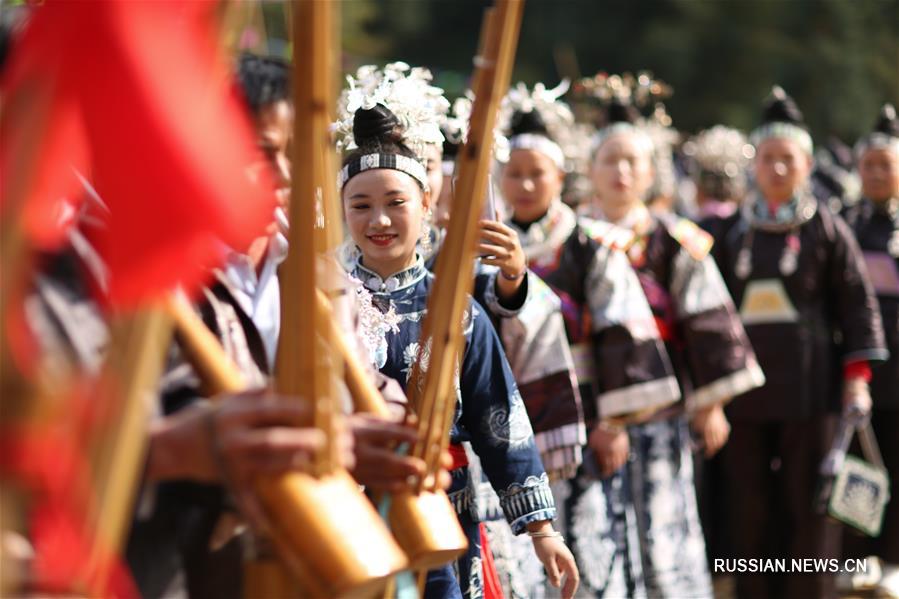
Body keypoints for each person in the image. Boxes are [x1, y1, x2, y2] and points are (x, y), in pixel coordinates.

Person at [338, 101, 579, 599]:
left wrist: (542, 530)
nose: (379, 219)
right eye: (360, 205)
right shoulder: (323, 298)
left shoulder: (457, 309)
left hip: (439, 504)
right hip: (344, 506)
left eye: (395, 202)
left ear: (427, 204)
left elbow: (499, 419)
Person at [498, 83, 690, 597]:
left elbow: (623, 334)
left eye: (536, 173)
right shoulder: (487, 250)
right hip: (512, 421)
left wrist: (613, 421)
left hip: (583, 422)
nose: (525, 184)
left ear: (560, 177)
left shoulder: (589, 249)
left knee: (593, 545)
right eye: (513, 173)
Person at [579, 81, 763, 598]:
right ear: (590, 170)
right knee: (598, 529)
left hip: (666, 406)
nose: (621, 172)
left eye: (632, 162)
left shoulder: (677, 239)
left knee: (665, 523)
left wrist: (712, 403)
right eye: (610, 161)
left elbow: (708, 320)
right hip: (590, 410)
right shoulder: (571, 238)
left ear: (650, 171)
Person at [702, 86, 887, 599]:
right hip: (743, 393)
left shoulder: (827, 228)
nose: (778, 169)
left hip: (813, 391)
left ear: (806, 164)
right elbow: (705, 314)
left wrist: (857, 383)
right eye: (768, 159)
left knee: (808, 500)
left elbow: (857, 306)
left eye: (789, 159)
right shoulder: (728, 232)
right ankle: (754, 590)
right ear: (753, 165)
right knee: (749, 500)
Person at [841, 103, 899, 598]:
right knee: (860, 461)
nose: (878, 174)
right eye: (870, 166)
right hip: (863, 369)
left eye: (887, 165)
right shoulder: (845, 225)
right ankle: (860, 555)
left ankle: (896, 559)